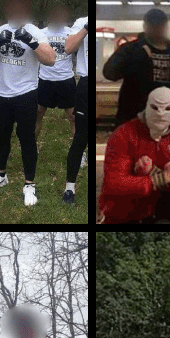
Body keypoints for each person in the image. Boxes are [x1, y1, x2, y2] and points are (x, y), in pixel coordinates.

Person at [0, 0, 57, 206]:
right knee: (1, 137)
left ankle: (29, 184)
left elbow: (51, 60)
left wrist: (31, 42)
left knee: (26, 138)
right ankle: (0, 176)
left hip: (26, 93)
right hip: (1, 93)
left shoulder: (35, 32)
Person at [97, 87, 170, 223]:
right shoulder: (124, 134)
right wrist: (163, 177)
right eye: (155, 107)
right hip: (124, 210)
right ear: (147, 106)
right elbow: (115, 184)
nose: (161, 114)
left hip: (161, 206)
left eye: (167, 108)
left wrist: (151, 173)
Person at [103, 8, 170, 128]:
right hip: (133, 115)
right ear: (145, 26)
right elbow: (109, 73)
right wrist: (136, 59)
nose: (156, 29)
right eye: (153, 25)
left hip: (164, 116)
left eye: (159, 26)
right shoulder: (131, 49)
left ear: (165, 27)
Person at [37, 3, 77, 141]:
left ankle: (79, 153)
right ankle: (32, 148)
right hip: (45, 80)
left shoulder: (71, 33)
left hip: (66, 80)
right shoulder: (40, 33)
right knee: (38, 114)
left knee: (73, 117)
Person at [63, 15, 89, 205]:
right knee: (81, 138)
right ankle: (69, 189)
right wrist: (87, 27)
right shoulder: (81, 22)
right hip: (86, 84)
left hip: (109, 83)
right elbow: (68, 48)